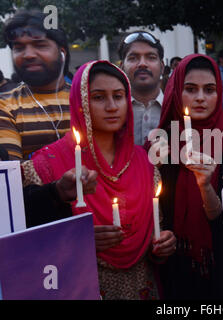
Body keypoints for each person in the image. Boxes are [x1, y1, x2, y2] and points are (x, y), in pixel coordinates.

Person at [21, 60, 176, 300]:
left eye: (118, 96)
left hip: (142, 287)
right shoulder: (48, 165)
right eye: (99, 97)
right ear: (80, 103)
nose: (112, 106)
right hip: (79, 287)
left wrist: (162, 245)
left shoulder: (144, 163)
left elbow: (156, 231)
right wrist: (77, 240)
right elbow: (24, 242)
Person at [149, 54, 223, 300]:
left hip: (221, 265)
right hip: (172, 266)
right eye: (190, 89)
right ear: (176, 92)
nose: (200, 98)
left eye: (209, 90)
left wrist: (205, 186)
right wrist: (158, 239)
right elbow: (152, 209)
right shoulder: (159, 144)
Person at [0, 9, 71, 160]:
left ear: (62, 52)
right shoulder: (4, 106)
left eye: (40, 45)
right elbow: (13, 175)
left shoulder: (90, 99)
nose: (29, 54)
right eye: (19, 48)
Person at [118, 31, 165, 146]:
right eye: (133, 58)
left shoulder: (177, 109)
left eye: (151, 57)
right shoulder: (112, 111)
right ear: (121, 68)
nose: (142, 64)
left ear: (162, 67)